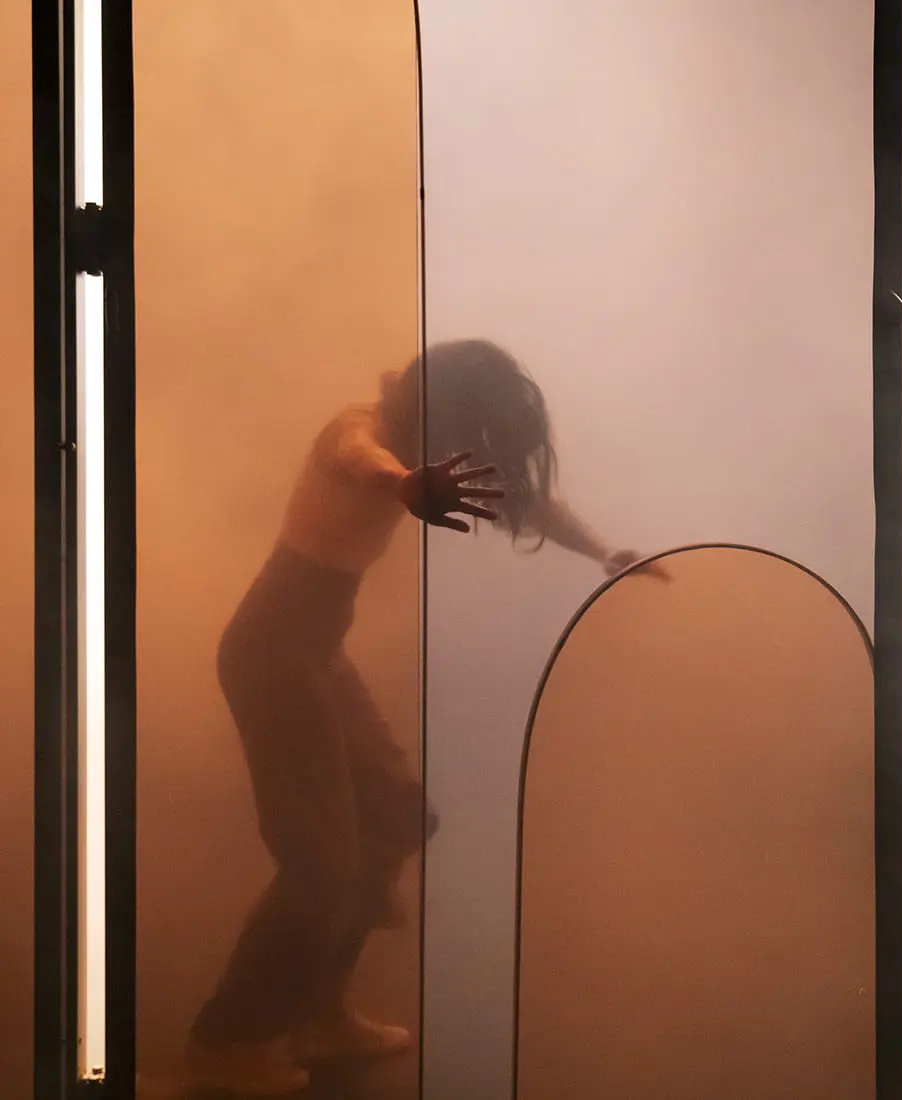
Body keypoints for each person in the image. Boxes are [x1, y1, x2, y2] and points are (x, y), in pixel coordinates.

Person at [183, 339, 663, 1095]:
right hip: (271, 652)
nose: (474, 451)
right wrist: (405, 483)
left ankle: (319, 1013)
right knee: (320, 865)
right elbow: (359, 458)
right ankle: (224, 1042)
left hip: (313, 650)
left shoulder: (420, 453)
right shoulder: (360, 428)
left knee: (396, 812)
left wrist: (606, 552)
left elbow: (527, 502)